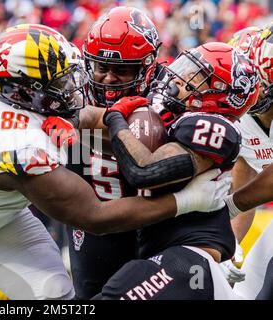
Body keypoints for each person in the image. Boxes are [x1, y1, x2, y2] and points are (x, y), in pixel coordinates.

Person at [0, 24, 230, 300]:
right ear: (24, 93)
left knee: (55, 295)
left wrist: (113, 120)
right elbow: (95, 217)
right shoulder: (16, 145)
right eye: (58, 82)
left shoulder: (2, 85)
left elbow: (82, 116)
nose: (71, 85)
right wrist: (186, 201)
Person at [96, 42, 260, 299]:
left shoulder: (214, 125)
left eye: (195, 76)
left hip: (187, 259)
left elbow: (144, 170)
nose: (180, 78)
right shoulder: (177, 116)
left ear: (222, 95)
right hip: (167, 254)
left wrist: (115, 118)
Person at [45, 6, 163, 300]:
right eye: (101, 67)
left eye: (121, 69)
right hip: (92, 226)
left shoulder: (166, 94)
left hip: (152, 224)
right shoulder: (70, 89)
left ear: (146, 67)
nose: (109, 78)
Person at [224, 23, 273, 300]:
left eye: (259, 84)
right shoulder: (242, 120)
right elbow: (244, 187)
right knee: (243, 293)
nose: (250, 91)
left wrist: (232, 204)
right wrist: (228, 246)